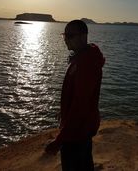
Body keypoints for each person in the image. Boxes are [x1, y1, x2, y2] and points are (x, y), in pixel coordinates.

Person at [45, 20, 105, 171]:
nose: (66, 39)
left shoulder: (85, 63)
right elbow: (79, 97)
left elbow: (80, 106)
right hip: (81, 130)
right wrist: (64, 110)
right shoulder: (83, 57)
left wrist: (59, 141)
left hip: (76, 133)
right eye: (65, 35)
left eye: (70, 35)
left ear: (83, 36)